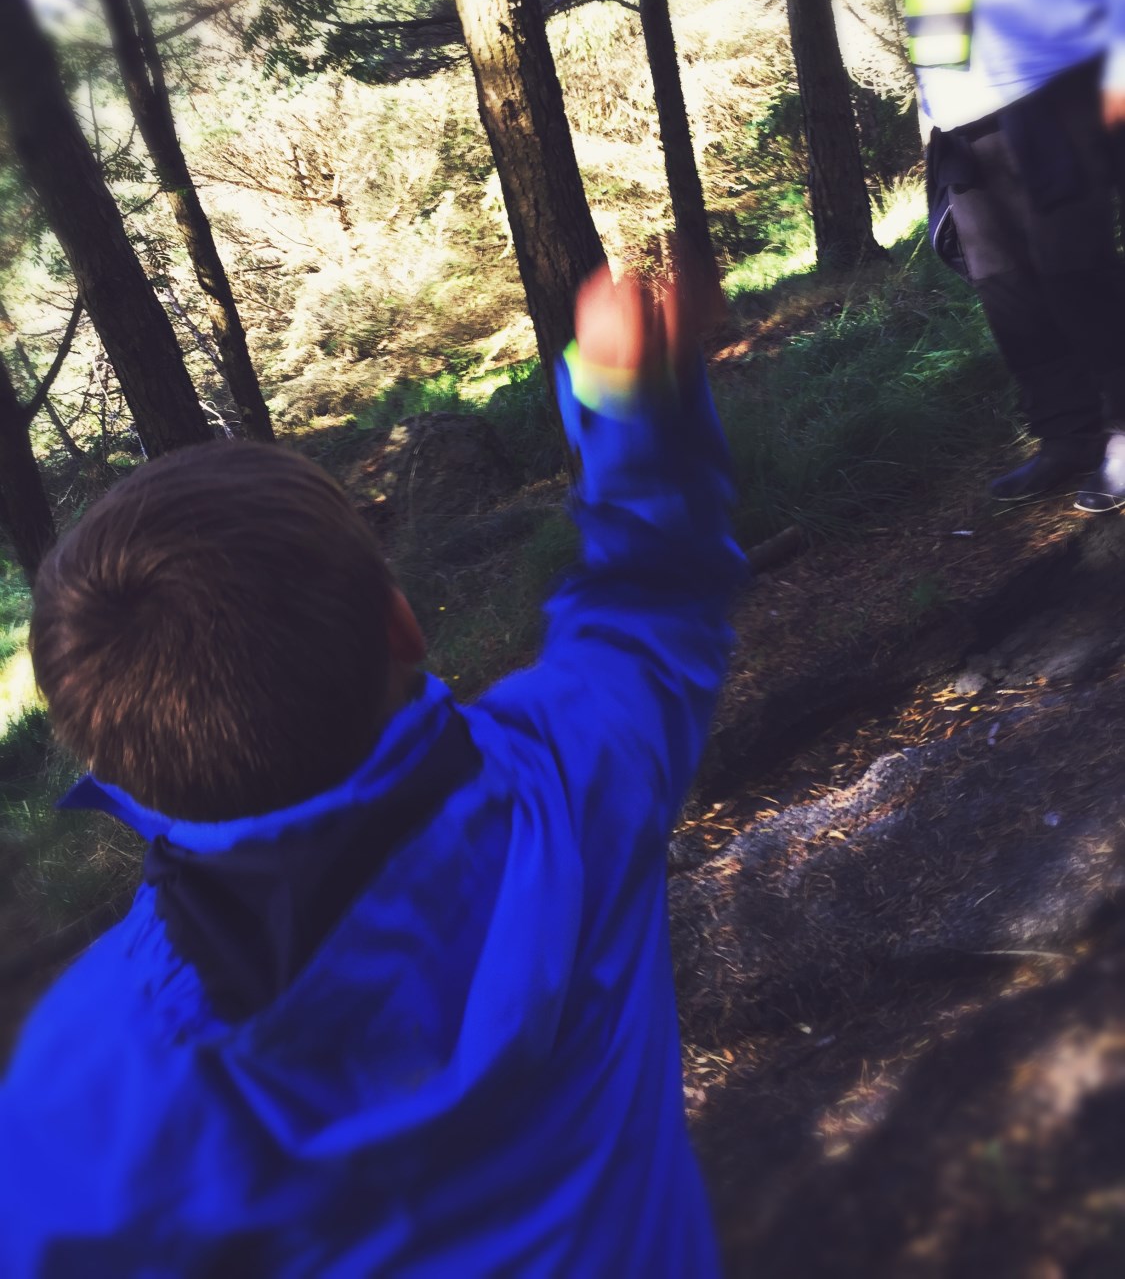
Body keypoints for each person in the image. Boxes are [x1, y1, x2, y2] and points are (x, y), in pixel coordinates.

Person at [0, 263, 743, 1277]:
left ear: (113, 764)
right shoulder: (575, 775)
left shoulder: (93, 1077)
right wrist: (627, 401)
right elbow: (656, 592)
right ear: (401, 625)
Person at [897, 0, 1125, 507]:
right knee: (1006, 289)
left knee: (1075, 269)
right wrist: (930, 108)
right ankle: (1066, 436)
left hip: (1056, 82)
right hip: (962, 112)